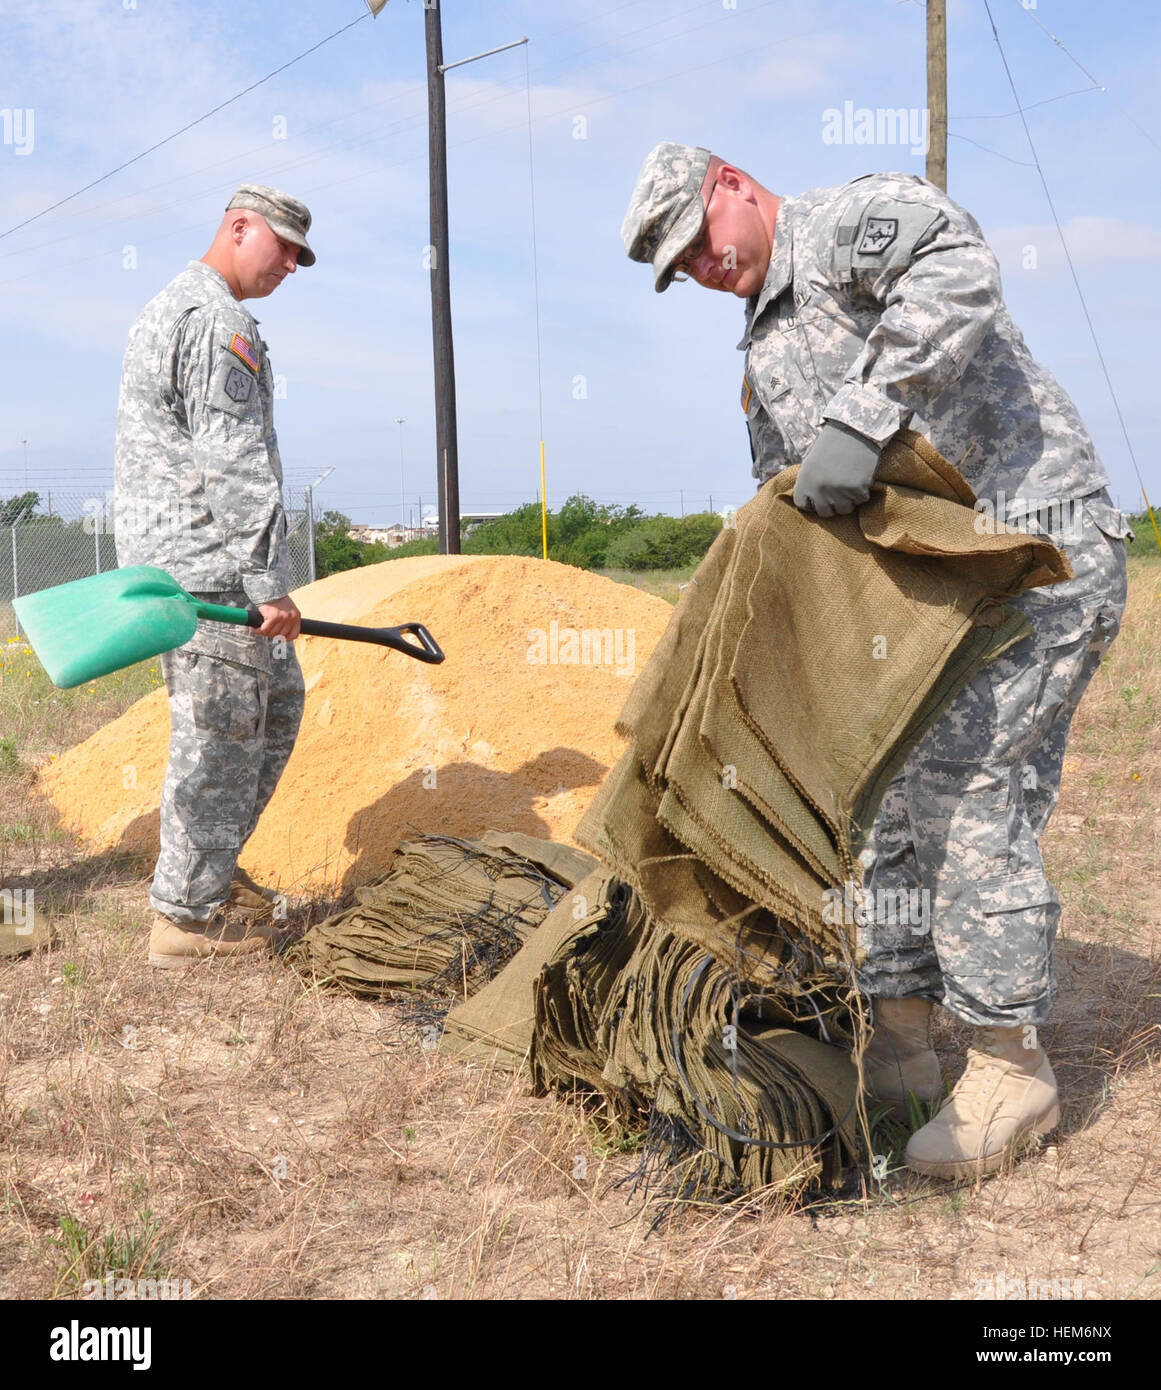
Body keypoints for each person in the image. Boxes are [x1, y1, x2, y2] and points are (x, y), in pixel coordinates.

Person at [621, 143, 1132, 1179]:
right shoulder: (762, 348)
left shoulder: (851, 222)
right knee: (887, 801)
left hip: (1032, 548)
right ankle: (901, 1036)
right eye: (683, 270)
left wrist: (862, 410)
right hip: (930, 595)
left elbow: (960, 271)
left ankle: (1008, 1063)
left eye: (700, 244)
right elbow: (796, 497)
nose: (703, 269)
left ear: (732, 185)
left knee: (966, 793)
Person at [114, 183, 315, 968]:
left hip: (195, 562)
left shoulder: (176, 307)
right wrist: (268, 581)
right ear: (239, 227)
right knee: (223, 735)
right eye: (284, 248)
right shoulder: (216, 321)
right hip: (211, 570)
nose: (292, 265)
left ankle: (206, 876)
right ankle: (187, 921)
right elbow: (231, 465)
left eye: (301, 256)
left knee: (273, 707)